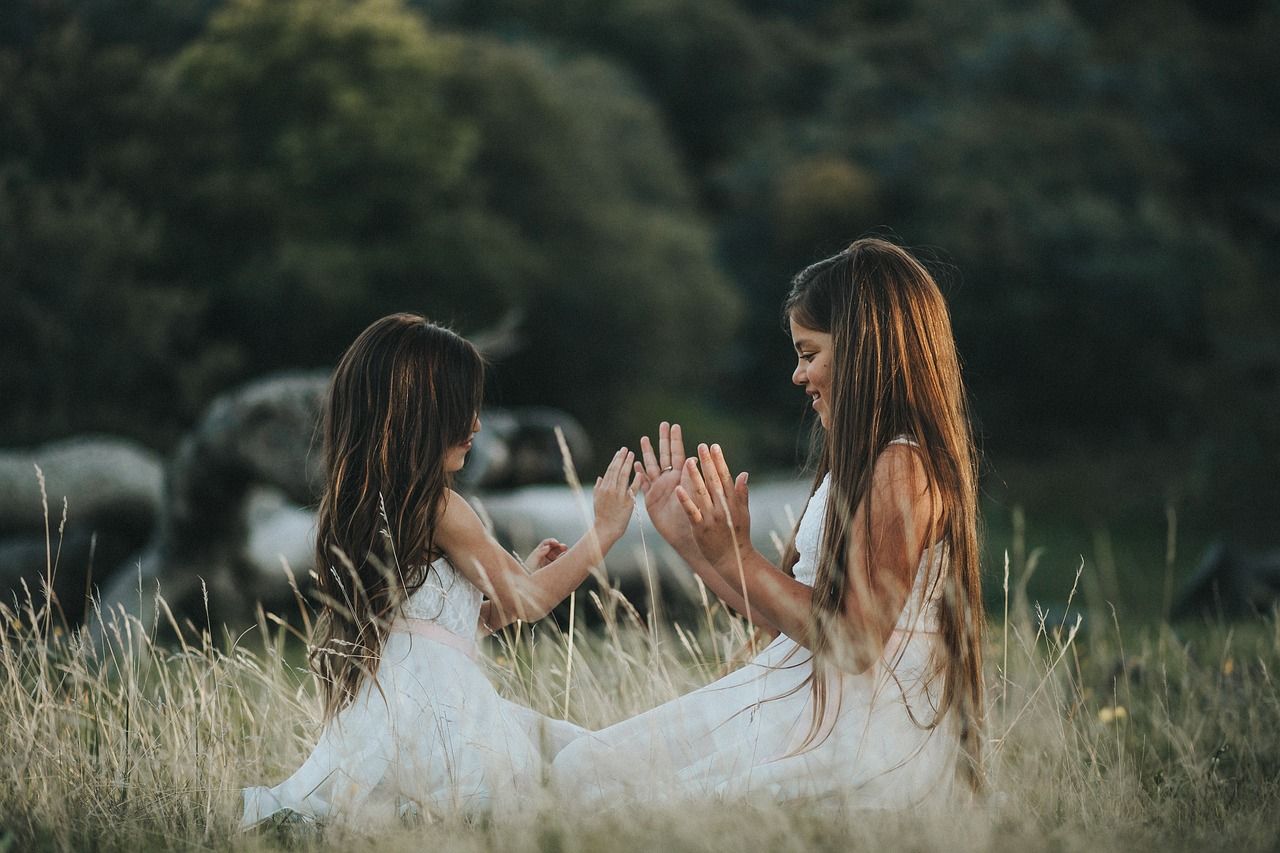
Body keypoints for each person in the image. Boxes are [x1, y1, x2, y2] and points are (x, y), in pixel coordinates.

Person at [550, 237, 984, 806]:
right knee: (580, 768)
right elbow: (794, 621)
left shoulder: (902, 466)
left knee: (597, 781)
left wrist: (738, 555)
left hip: (861, 729)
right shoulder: (862, 465)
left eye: (809, 354)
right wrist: (690, 542)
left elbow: (854, 640)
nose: (798, 377)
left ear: (863, 351)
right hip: (806, 694)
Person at [241, 313, 637, 827]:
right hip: (441, 712)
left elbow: (444, 626)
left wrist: (517, 579)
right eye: (461, 409)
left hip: (388, 714)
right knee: (573, 773)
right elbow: (530, 604)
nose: (476, 424)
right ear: (418, 415)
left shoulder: (365, 505)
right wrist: (603, 531)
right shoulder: (440, 506)